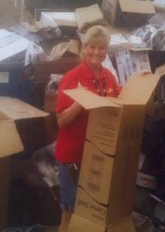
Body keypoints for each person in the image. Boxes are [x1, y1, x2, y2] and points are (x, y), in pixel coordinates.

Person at [54, 25, 120, 232]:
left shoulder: (109, 77)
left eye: (101, 48)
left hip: (99, 156)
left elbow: (119, 109)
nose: (96, 52)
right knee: (70, 211)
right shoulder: (72, 78)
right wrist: (80, 102)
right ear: (84, 49)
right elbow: (62, 121)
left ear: (106, 50)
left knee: (93, 213)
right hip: (73, 157)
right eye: (92, 47)